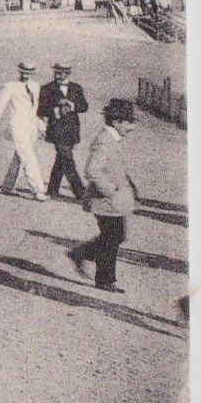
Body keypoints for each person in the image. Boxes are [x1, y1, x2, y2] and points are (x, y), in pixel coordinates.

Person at [67, 99, 138, 293]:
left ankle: (81, 254)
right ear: (116, 121)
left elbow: (115, 168)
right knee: (113, 236)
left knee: (115, 235)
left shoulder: (112, 139)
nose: (132, 127)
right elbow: (92, 170)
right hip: (104, 200)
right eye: (129, 122)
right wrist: (111, 191)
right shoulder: (104, 141)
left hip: (111, 200)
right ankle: (105, 279)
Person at [0, 60, 48, 200]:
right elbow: (0, 106)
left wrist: (41, 126)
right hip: (17, 126)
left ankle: (8, 186)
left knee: (19, 157)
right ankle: (38, 190)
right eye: (23, 72)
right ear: (19, 71)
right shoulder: (10, 87)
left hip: (30, 127)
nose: (26, 75)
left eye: (29, 73)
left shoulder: (35, 86)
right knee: (28, 157)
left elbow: (35, 109)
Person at [38, 62, 89, 201]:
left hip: (72, 129)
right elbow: (40, 109)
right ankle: (80, 192)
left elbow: (84, 106)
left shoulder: (76, 88)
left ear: (68, 73)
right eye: (56, 72)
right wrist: (55, 110)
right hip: (57, 130)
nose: (57, 75)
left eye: (61, 73)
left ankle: (53, 190)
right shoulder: (47, 89)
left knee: (62, 159)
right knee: (67, 158)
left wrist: (72, 106)